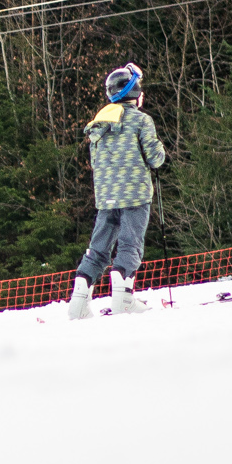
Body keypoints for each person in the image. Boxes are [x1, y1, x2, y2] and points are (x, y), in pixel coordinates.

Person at [69, 63, 166, 319]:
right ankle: (123, 299)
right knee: (130, 244)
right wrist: (160, 148)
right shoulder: (141, 120)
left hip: (106, 197)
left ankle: (78, 303)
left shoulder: (99, 123)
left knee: (98, 248)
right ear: (133, 91)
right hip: (135, 195)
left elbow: (95, 162)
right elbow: (155, 159)